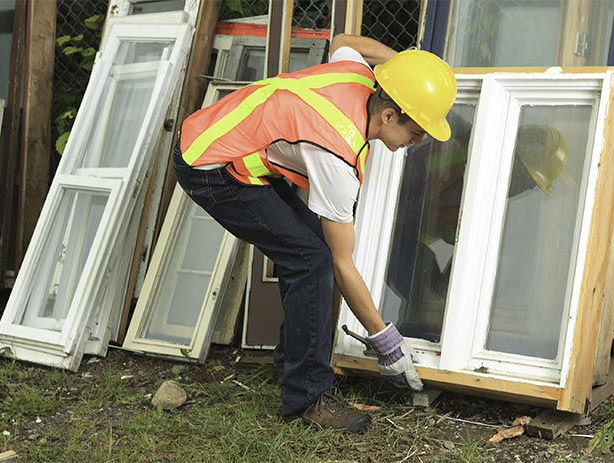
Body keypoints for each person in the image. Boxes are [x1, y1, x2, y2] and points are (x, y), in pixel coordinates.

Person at [172, 33, 456, 433]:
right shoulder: (336, 152)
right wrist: (384, 339)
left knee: (310, 251)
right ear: (390, 115)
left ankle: (295, 366)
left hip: (226, 141)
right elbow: (342, 263)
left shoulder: (358, 72)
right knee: (313, 258)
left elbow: (343, 39)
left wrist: (407, 72)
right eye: (417, 129)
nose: (419, 140)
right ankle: (308, 399)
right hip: (210, 164)